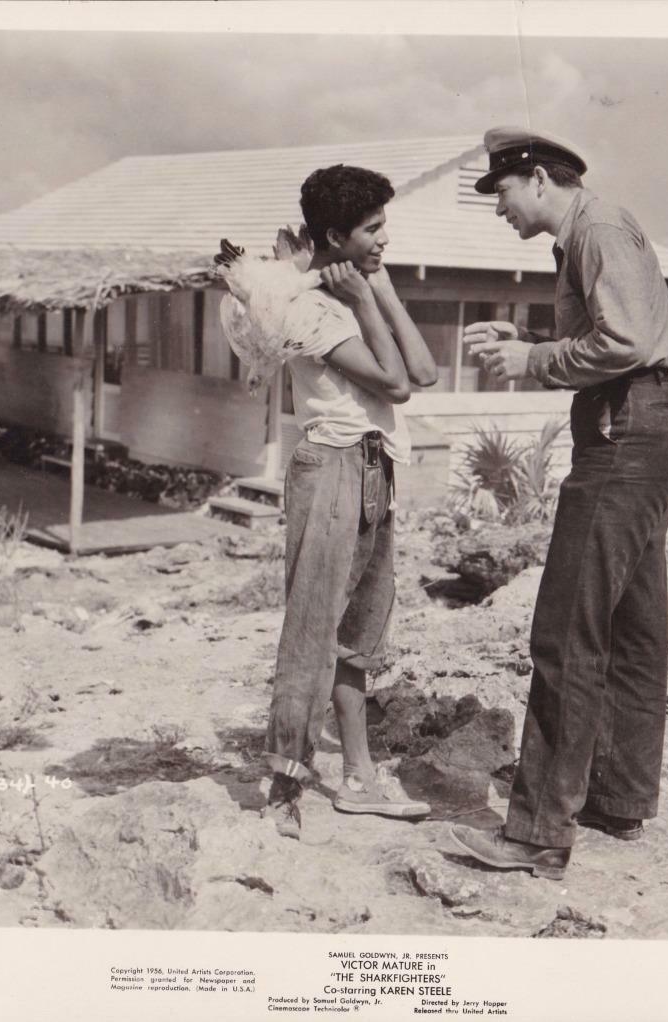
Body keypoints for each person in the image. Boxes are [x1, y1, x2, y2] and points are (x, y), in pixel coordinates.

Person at [449, 127, 668, 880]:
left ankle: (535, 833)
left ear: (539, 181)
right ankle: (617, 799)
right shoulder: (591, 233)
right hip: (643, 431)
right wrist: (525, 337)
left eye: (503, 194)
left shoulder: (596, 230)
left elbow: (624, 341)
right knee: (630, 627)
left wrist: (532, 359)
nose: (499, 210)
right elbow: (622, 337)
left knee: (565, 633)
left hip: (623, 438)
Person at [262, 163, 440, 838]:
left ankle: (358, 774)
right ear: (334, 235)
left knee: (358, 635)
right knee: (313, 629)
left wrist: (382, 288)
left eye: (385, 224)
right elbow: (395, 386)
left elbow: (423, 372)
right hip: (332, 467)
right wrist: (367, 302)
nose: (384, 238)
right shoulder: (308, 306)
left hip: (371, 470)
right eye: (372, 229)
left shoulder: (355, 288)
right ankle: (284, 784)